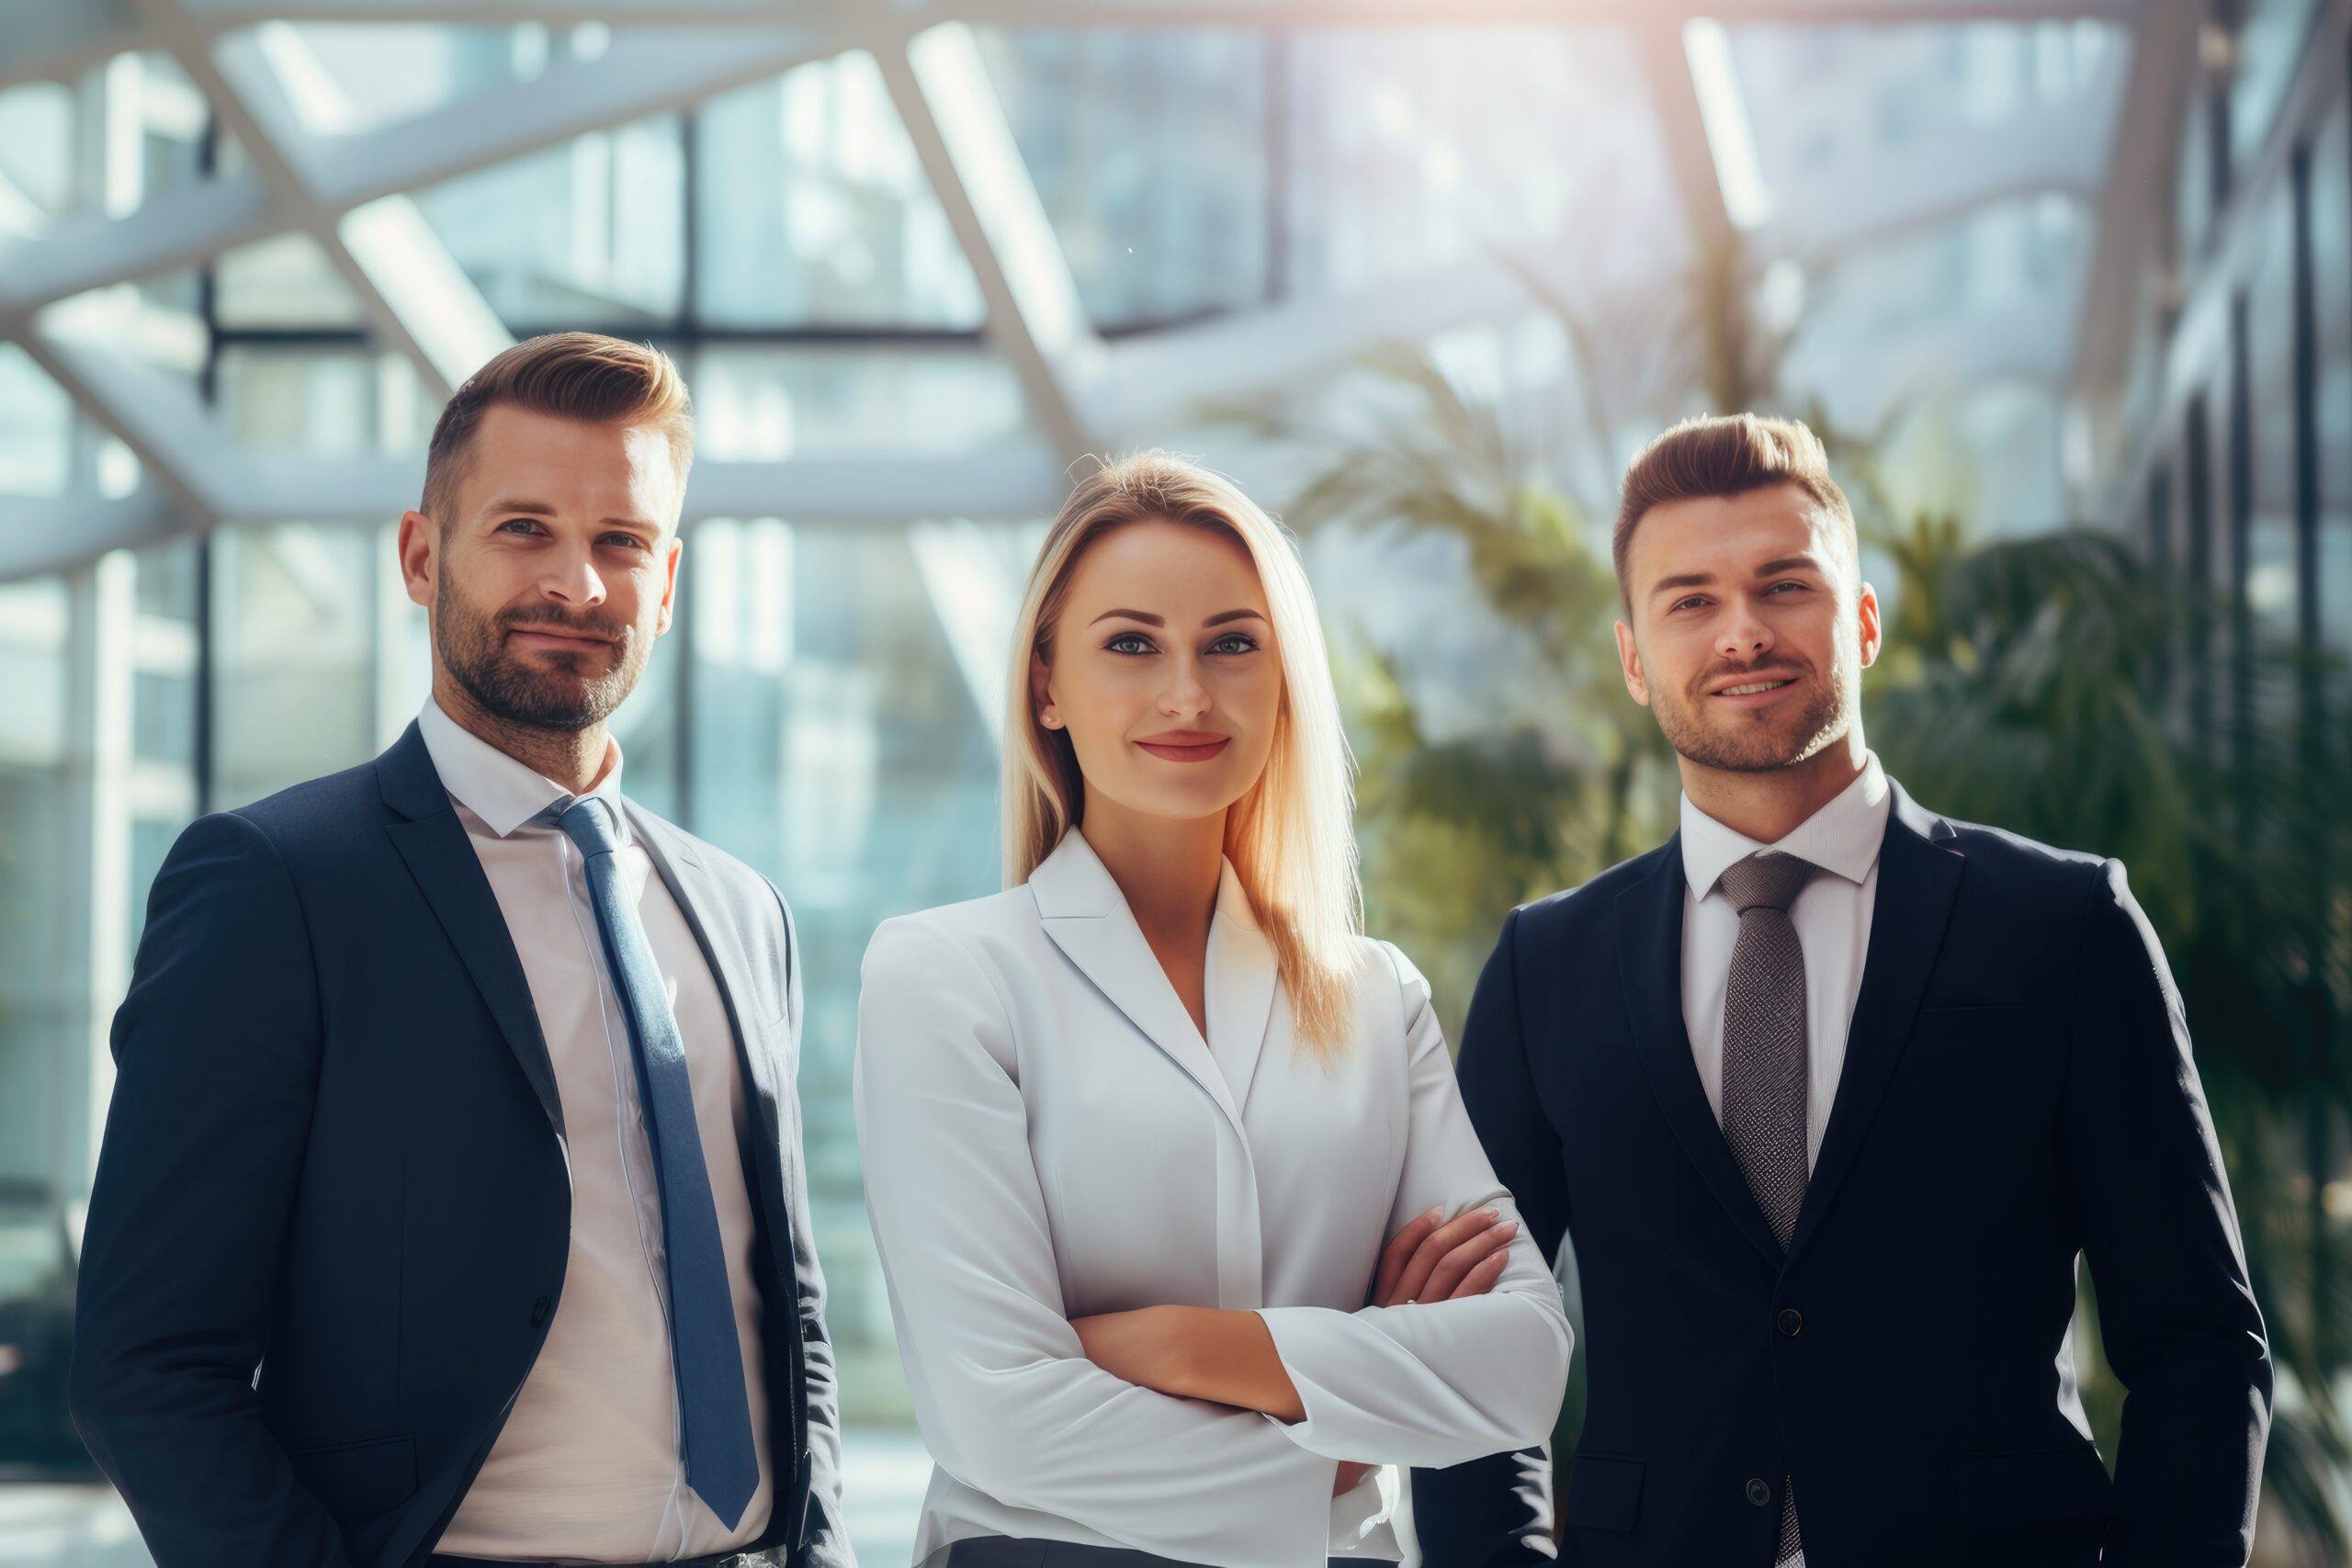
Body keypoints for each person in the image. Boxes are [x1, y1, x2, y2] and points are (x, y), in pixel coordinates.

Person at [1409, 413, 2272, 1568]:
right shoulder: (1543, 967)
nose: (1743, 633)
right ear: (1631, 657)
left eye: (1784, 586)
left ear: (1860, 619)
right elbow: (1467, 1348)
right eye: (1689, 601)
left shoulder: (2064, 926)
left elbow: (2196, 1340)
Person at [70, 333, 851, 1568]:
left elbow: (786, 1302)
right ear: (423, 556)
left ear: (668, 579)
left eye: (621, 541)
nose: (579, 584)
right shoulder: (277, 883)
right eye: (524, 528)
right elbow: (147, 1363)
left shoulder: (740, 908)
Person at [854, 454, 1572, 1568]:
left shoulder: (1377, 997)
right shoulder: (944, 975)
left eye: (1233, 644)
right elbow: (998, 1420)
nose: (1187, 695)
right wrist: (1345, 1434)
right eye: (1130, 644)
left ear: (1284, 678)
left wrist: (1186, 1345)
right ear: (1045, 682)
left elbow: (1523, 1363)